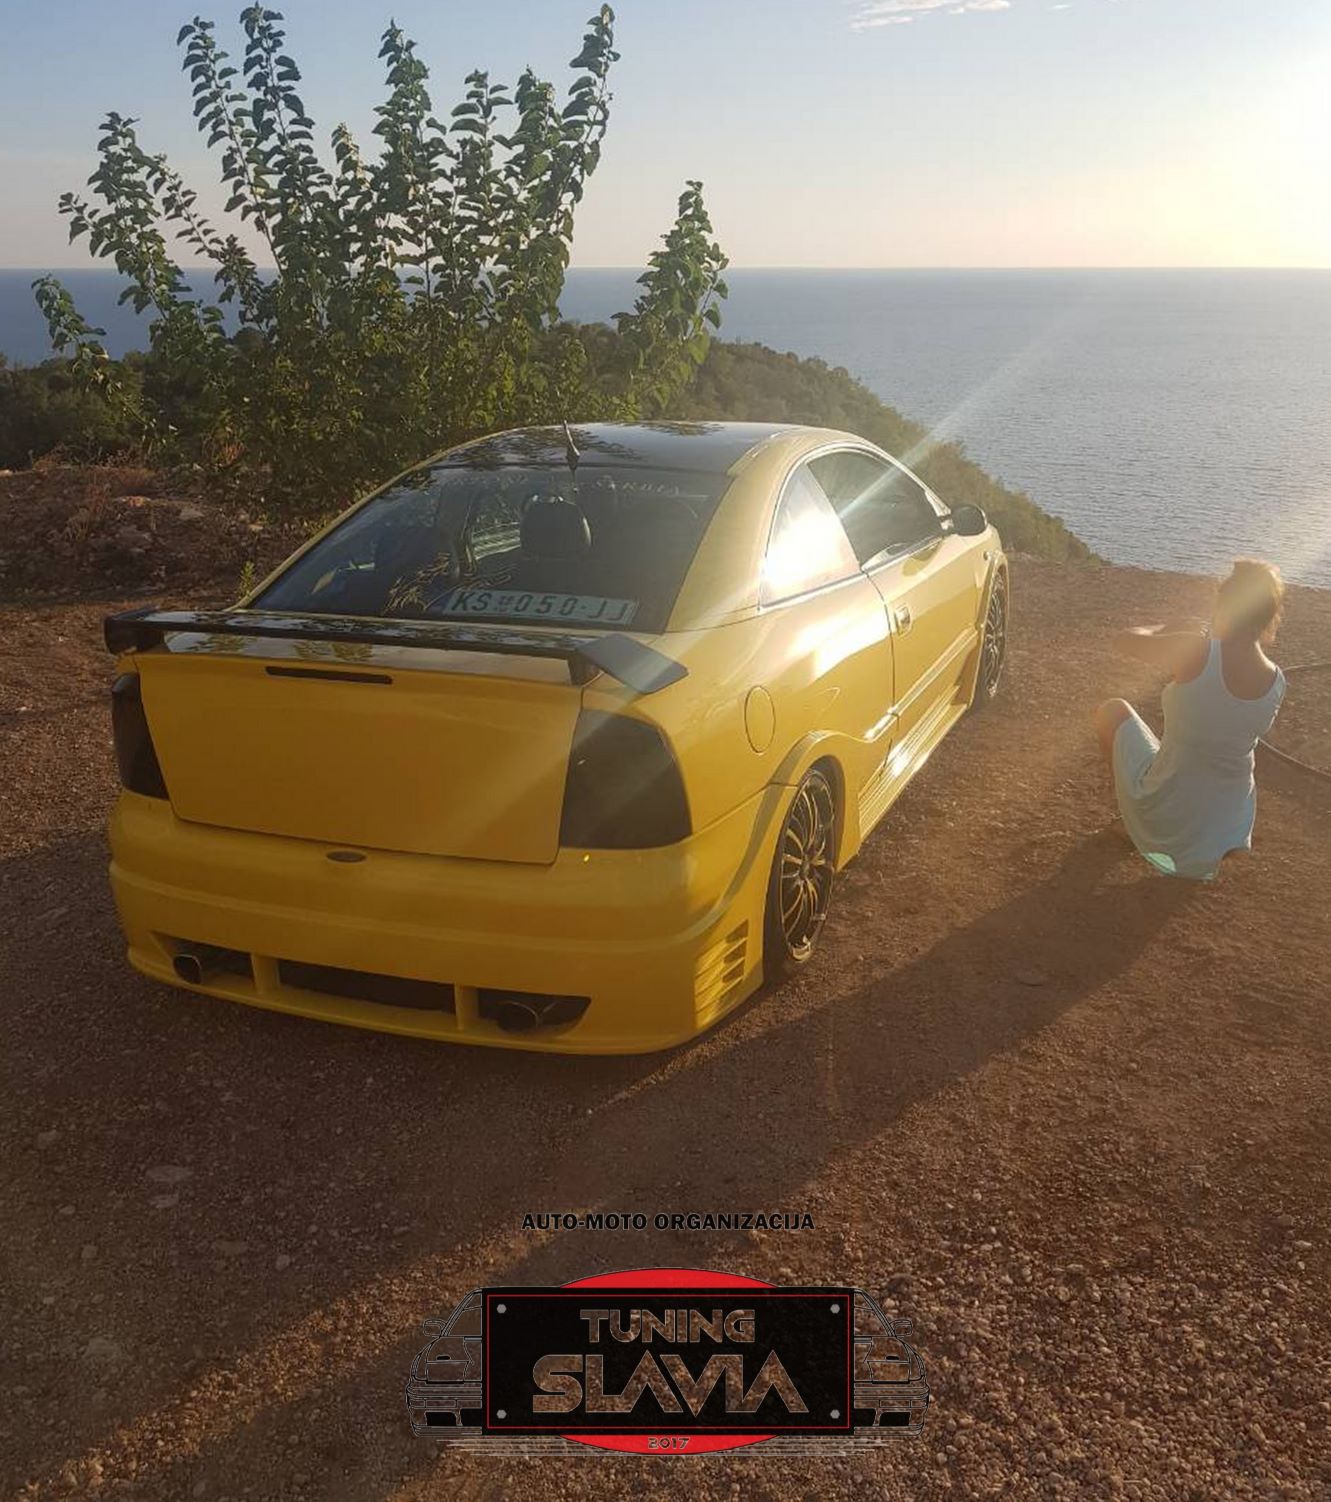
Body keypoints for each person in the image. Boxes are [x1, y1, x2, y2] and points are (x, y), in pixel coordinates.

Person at [1091, 559, 1286, 880]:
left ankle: (1134, 820)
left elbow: (1124, 640)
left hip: (1171, 798)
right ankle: (1217, 839)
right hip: (1230, 815)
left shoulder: (1197, 650)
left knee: (1112, 711)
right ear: (1267, 618)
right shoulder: (1277, 681)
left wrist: (1167, 627)